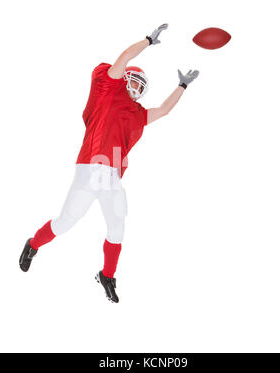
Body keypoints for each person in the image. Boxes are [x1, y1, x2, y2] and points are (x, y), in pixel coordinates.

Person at [19, 24, 199, 303]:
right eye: (135, 81)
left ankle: (107, 275)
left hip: (112, 175)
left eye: (142, 86)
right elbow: (125, 57)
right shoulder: (108, 89)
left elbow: (162, 110)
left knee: (118, 227)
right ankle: (33, 244)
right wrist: (149, 40)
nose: (137, 87)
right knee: (65, 222)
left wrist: (182, 86)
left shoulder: (137, 114)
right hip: (91, 166)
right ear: (125, 78)